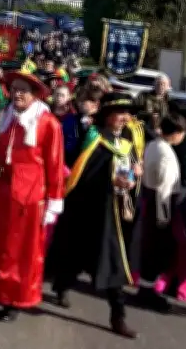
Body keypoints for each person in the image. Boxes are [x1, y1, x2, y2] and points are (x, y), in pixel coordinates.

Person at [0, 70, 64, 321]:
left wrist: (53, 201)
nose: (17, 93)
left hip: (29, 199)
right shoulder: (1, 118)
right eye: (15, 88)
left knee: (20, 252)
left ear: (34, 95)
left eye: (23, 90)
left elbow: (55, 165)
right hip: (0, 193)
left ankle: (13, 300)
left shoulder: (47, 123)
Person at [48, 92, 143, 339]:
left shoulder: (125, 143)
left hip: (112, 215)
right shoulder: (94, 139)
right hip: (87, 210)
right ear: (107, 115)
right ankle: (62, 286)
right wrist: (110, 179)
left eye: (127, 114)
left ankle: (118, 316)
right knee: (74, 254)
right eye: (119, 113)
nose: (124, 118)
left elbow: (128, 172)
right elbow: (84, 175)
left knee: (111, 262)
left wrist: (132, 178)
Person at [138, 113, 186, 313]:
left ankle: (146, 286)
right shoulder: (166, 153)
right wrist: (164, 217)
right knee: (157, 249)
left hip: (149, 199)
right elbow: (165, 189)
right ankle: (148, 290)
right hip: (161, 205)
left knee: (150, 247)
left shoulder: (153, 145)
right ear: (176, 133)